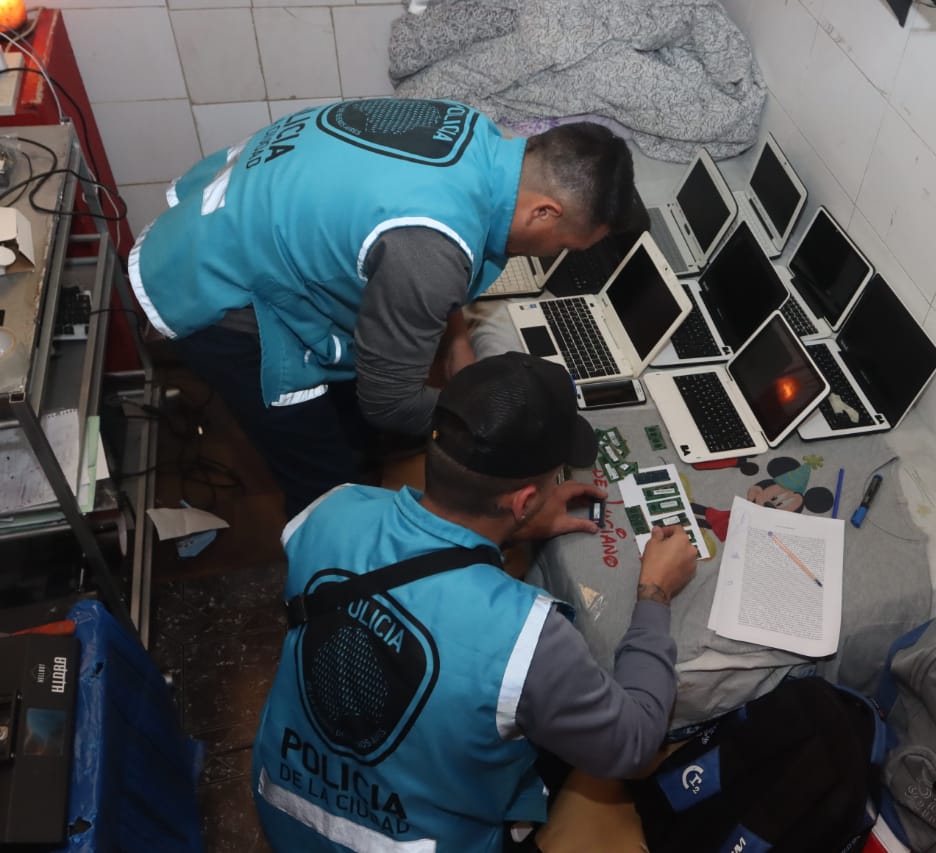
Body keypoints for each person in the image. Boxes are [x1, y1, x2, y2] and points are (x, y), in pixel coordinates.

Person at [251, 351, 698, 853]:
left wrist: (510, 531)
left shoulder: (330, 509)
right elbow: (632, 743)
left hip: (281, 804)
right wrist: (655, 593)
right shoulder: (527, 637)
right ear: (523, 499)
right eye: (551, 481)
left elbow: (413, 579)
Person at [127, 98, 640, 516]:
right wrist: (497, 423)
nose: (557, 256)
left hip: (220, 219)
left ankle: (355, 458)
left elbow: (435, 251)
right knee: (326, 479)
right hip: (212, 289)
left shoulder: (469, 128)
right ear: (545, 211)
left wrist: (458, 340)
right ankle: (332, 589)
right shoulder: (431, 249)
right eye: (565, 245)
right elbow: (388, 402)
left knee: (354, 416)